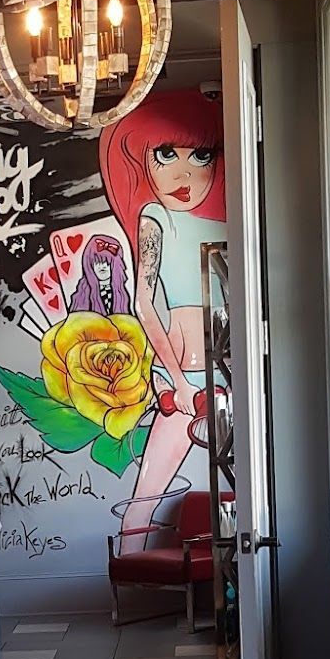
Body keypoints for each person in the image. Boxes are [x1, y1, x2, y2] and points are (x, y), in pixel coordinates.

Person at [99, 87, 226, 547]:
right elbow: (143, 303)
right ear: (142, 160)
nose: (184, 173)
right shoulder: (155, 217)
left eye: (202, 155)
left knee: (250, 492)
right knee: (146, 495)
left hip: (227, 375)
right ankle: (130, 587)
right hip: (184, 377)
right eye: (167, 154)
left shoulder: (231, 222)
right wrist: (177, 379)